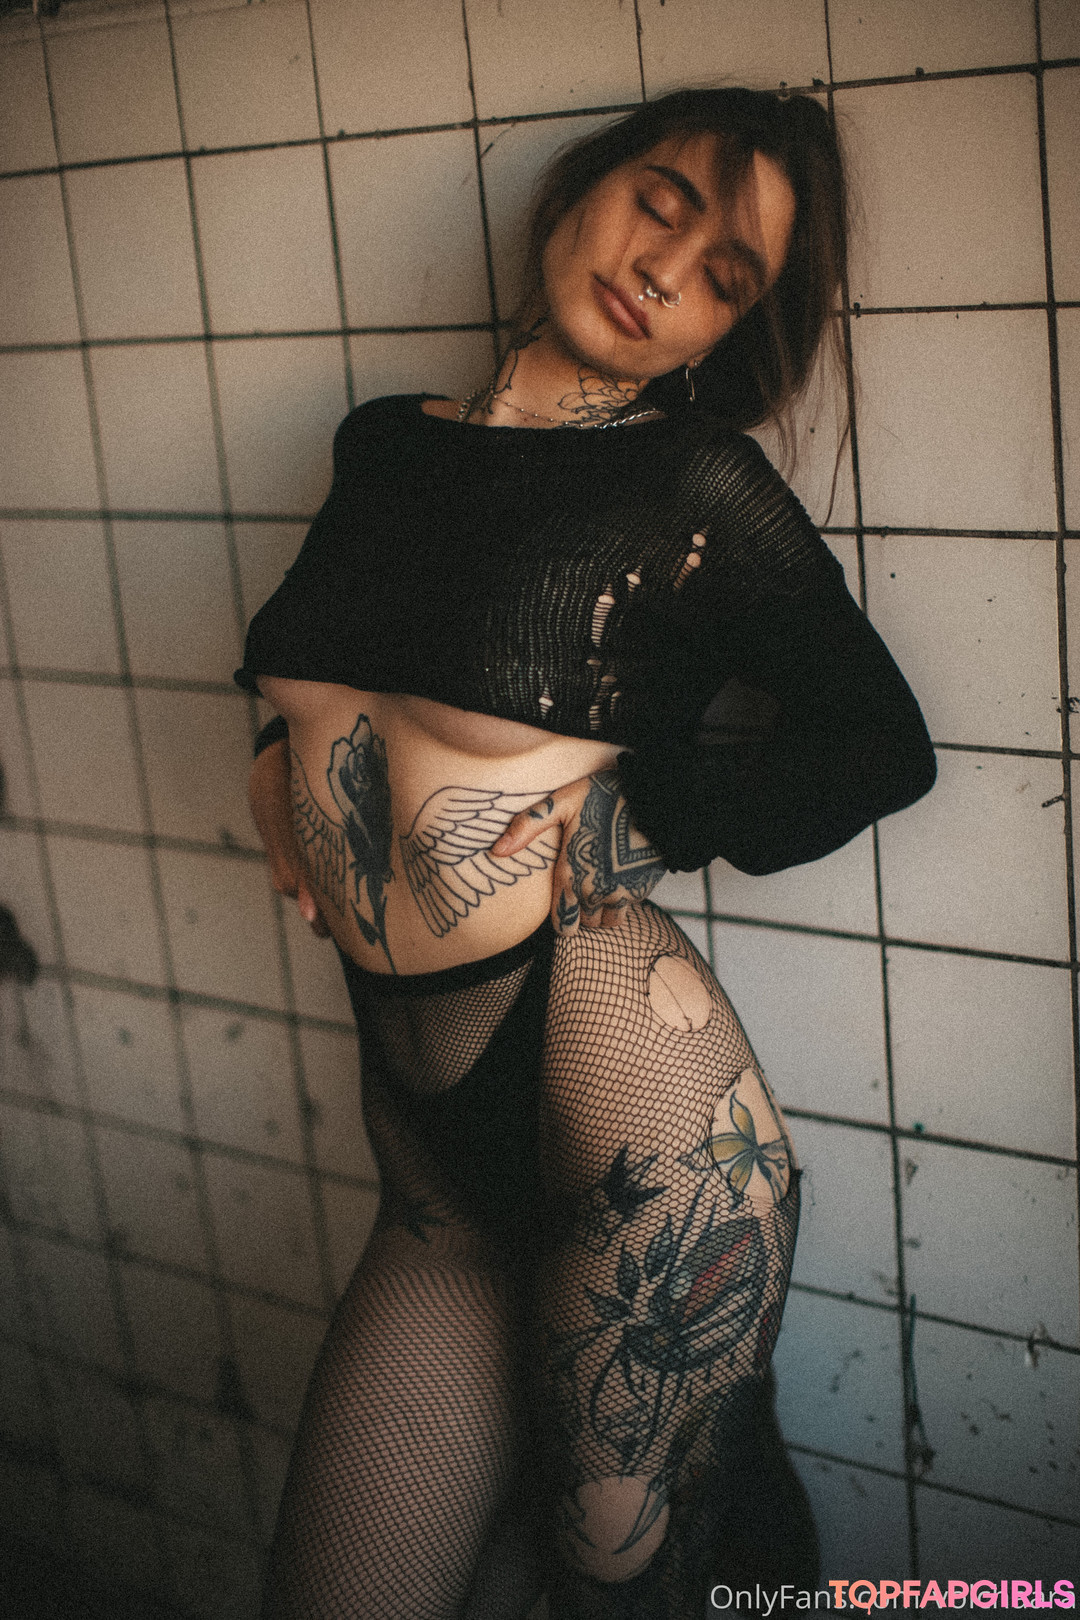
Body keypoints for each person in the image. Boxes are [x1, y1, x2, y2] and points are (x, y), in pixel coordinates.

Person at [239, 87, 936, 1620]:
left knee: (622, 1596)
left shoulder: (692, 486)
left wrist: (656, 813)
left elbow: (881, 744)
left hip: (624, 1109)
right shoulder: (383, 445)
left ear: (723, 335)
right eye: (659, 203)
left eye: (724, 276)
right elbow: (321, 657)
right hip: (432, 1171)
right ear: (578, 192)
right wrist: (271, 760)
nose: (665, 268)